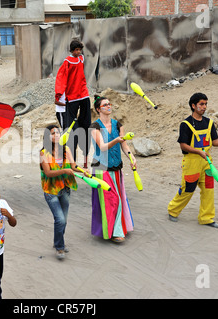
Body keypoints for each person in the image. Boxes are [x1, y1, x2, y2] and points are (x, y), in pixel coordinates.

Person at [167, 93, 218, 228]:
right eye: (201, 104)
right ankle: (173, 210)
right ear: (193, 106)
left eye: (205, 104)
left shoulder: (209, 123)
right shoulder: (185, 124)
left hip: (207, 163)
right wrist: (198, 152)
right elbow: (183, 145)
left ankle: (206, 218)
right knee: (188, 189)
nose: (204, 107)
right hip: (191, 162)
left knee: (208, 189)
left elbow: (214, 141)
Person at [90, 95, 135, 243]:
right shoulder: (94, 127)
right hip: (101, 168)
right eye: (105, 105)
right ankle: (114, 231)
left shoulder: (117, 125)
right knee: (111, 199)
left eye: (109, 104)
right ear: (98, 109)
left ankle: (116, 230)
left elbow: (124, 145)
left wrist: (131, 157)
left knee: (118, 198)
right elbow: (102, 147)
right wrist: (115, 140)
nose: (109, 106)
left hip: (116, 167)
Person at [40, 124, 88, 259]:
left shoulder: (66, 149)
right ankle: (60, 247)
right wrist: (64, 171)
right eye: (52, 133)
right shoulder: (43, 153)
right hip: (51, 191)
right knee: (60, 219)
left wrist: (84, 170)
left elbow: (73, 166)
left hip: (65, 189)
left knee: (64, 221)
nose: (56, 135)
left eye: (58, 133)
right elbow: (48, 173)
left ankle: (57, 243)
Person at [55, 40, 91, 166]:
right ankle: (71, 161)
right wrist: (59, 93)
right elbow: (61, 78)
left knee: (86, 125)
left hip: (83, 94)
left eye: (79, 50)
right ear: (72, 50)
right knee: (70, 130)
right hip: (72, 97)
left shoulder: (81, 59)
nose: (78, 52)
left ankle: (85, 158)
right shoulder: (67, 62)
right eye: (76, 50)